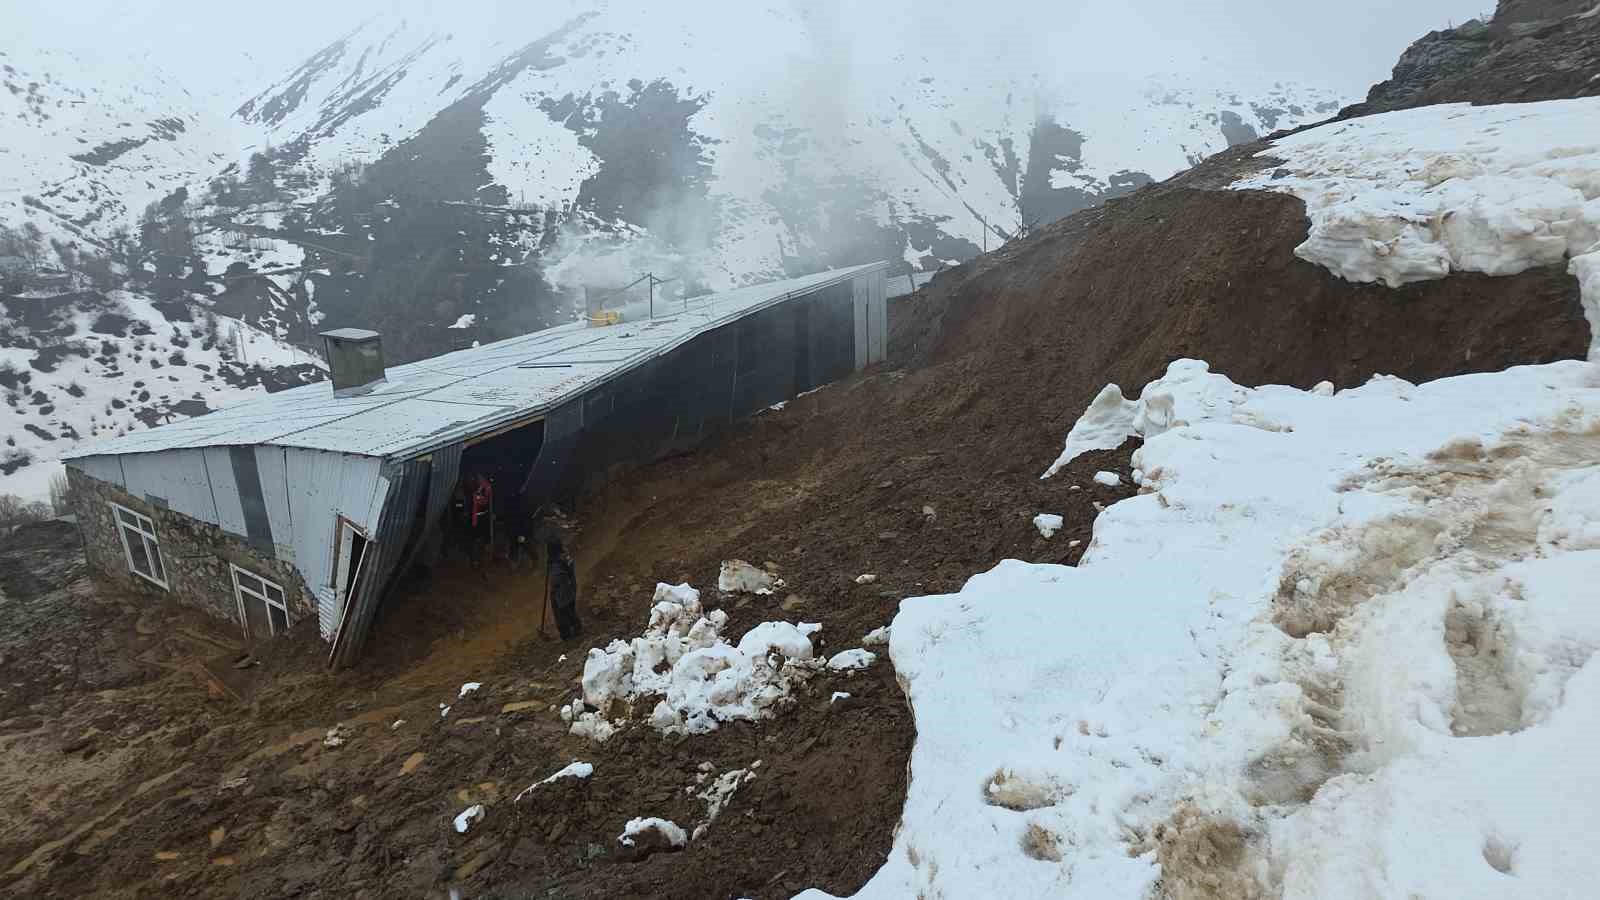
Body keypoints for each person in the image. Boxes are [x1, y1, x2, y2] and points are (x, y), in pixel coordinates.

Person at [546, 539, 581, 640]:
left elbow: (556, 580)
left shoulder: (556, 565)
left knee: (561, 615)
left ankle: (566, 635)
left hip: (561, 592)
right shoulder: (566, 557)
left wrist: (554, 591)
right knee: (570, 610)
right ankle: (577, 627)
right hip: (571, 588)